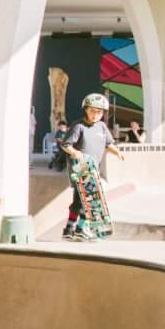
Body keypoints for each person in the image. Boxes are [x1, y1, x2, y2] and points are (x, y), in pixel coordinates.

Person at [58, 93, 117, 243]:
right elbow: (66, 145)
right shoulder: (79, 126)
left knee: (79, 200)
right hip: (80, 168)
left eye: (99, 112)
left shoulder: (102, 127)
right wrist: (76, 152)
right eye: (92, 111)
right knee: (88, 199)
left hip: (92, 169)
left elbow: (108, 143)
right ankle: (81, 229)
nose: (96, 115)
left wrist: (117, 152)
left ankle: (69, 229)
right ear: (86, 110)